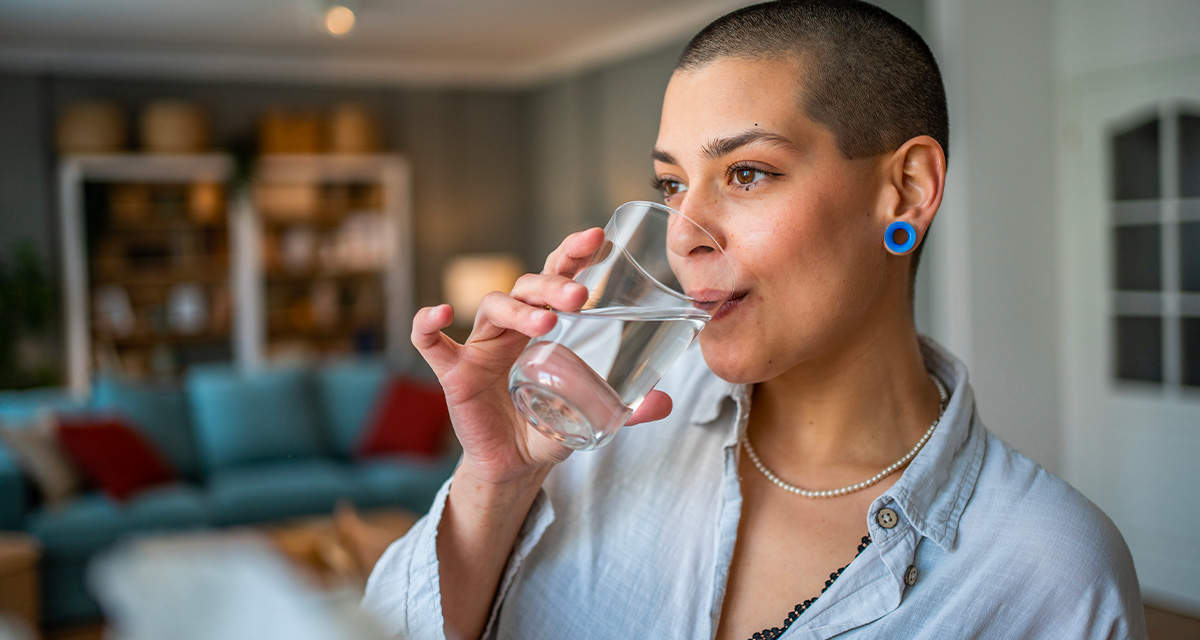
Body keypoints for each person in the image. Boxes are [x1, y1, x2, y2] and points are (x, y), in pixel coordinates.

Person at [361, 2, 1147, 638]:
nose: (681, 233)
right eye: (671, 185)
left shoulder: (1051, 574)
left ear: (905, 190)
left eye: (746, 173)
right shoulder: (590, 443)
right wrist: (497, 479)